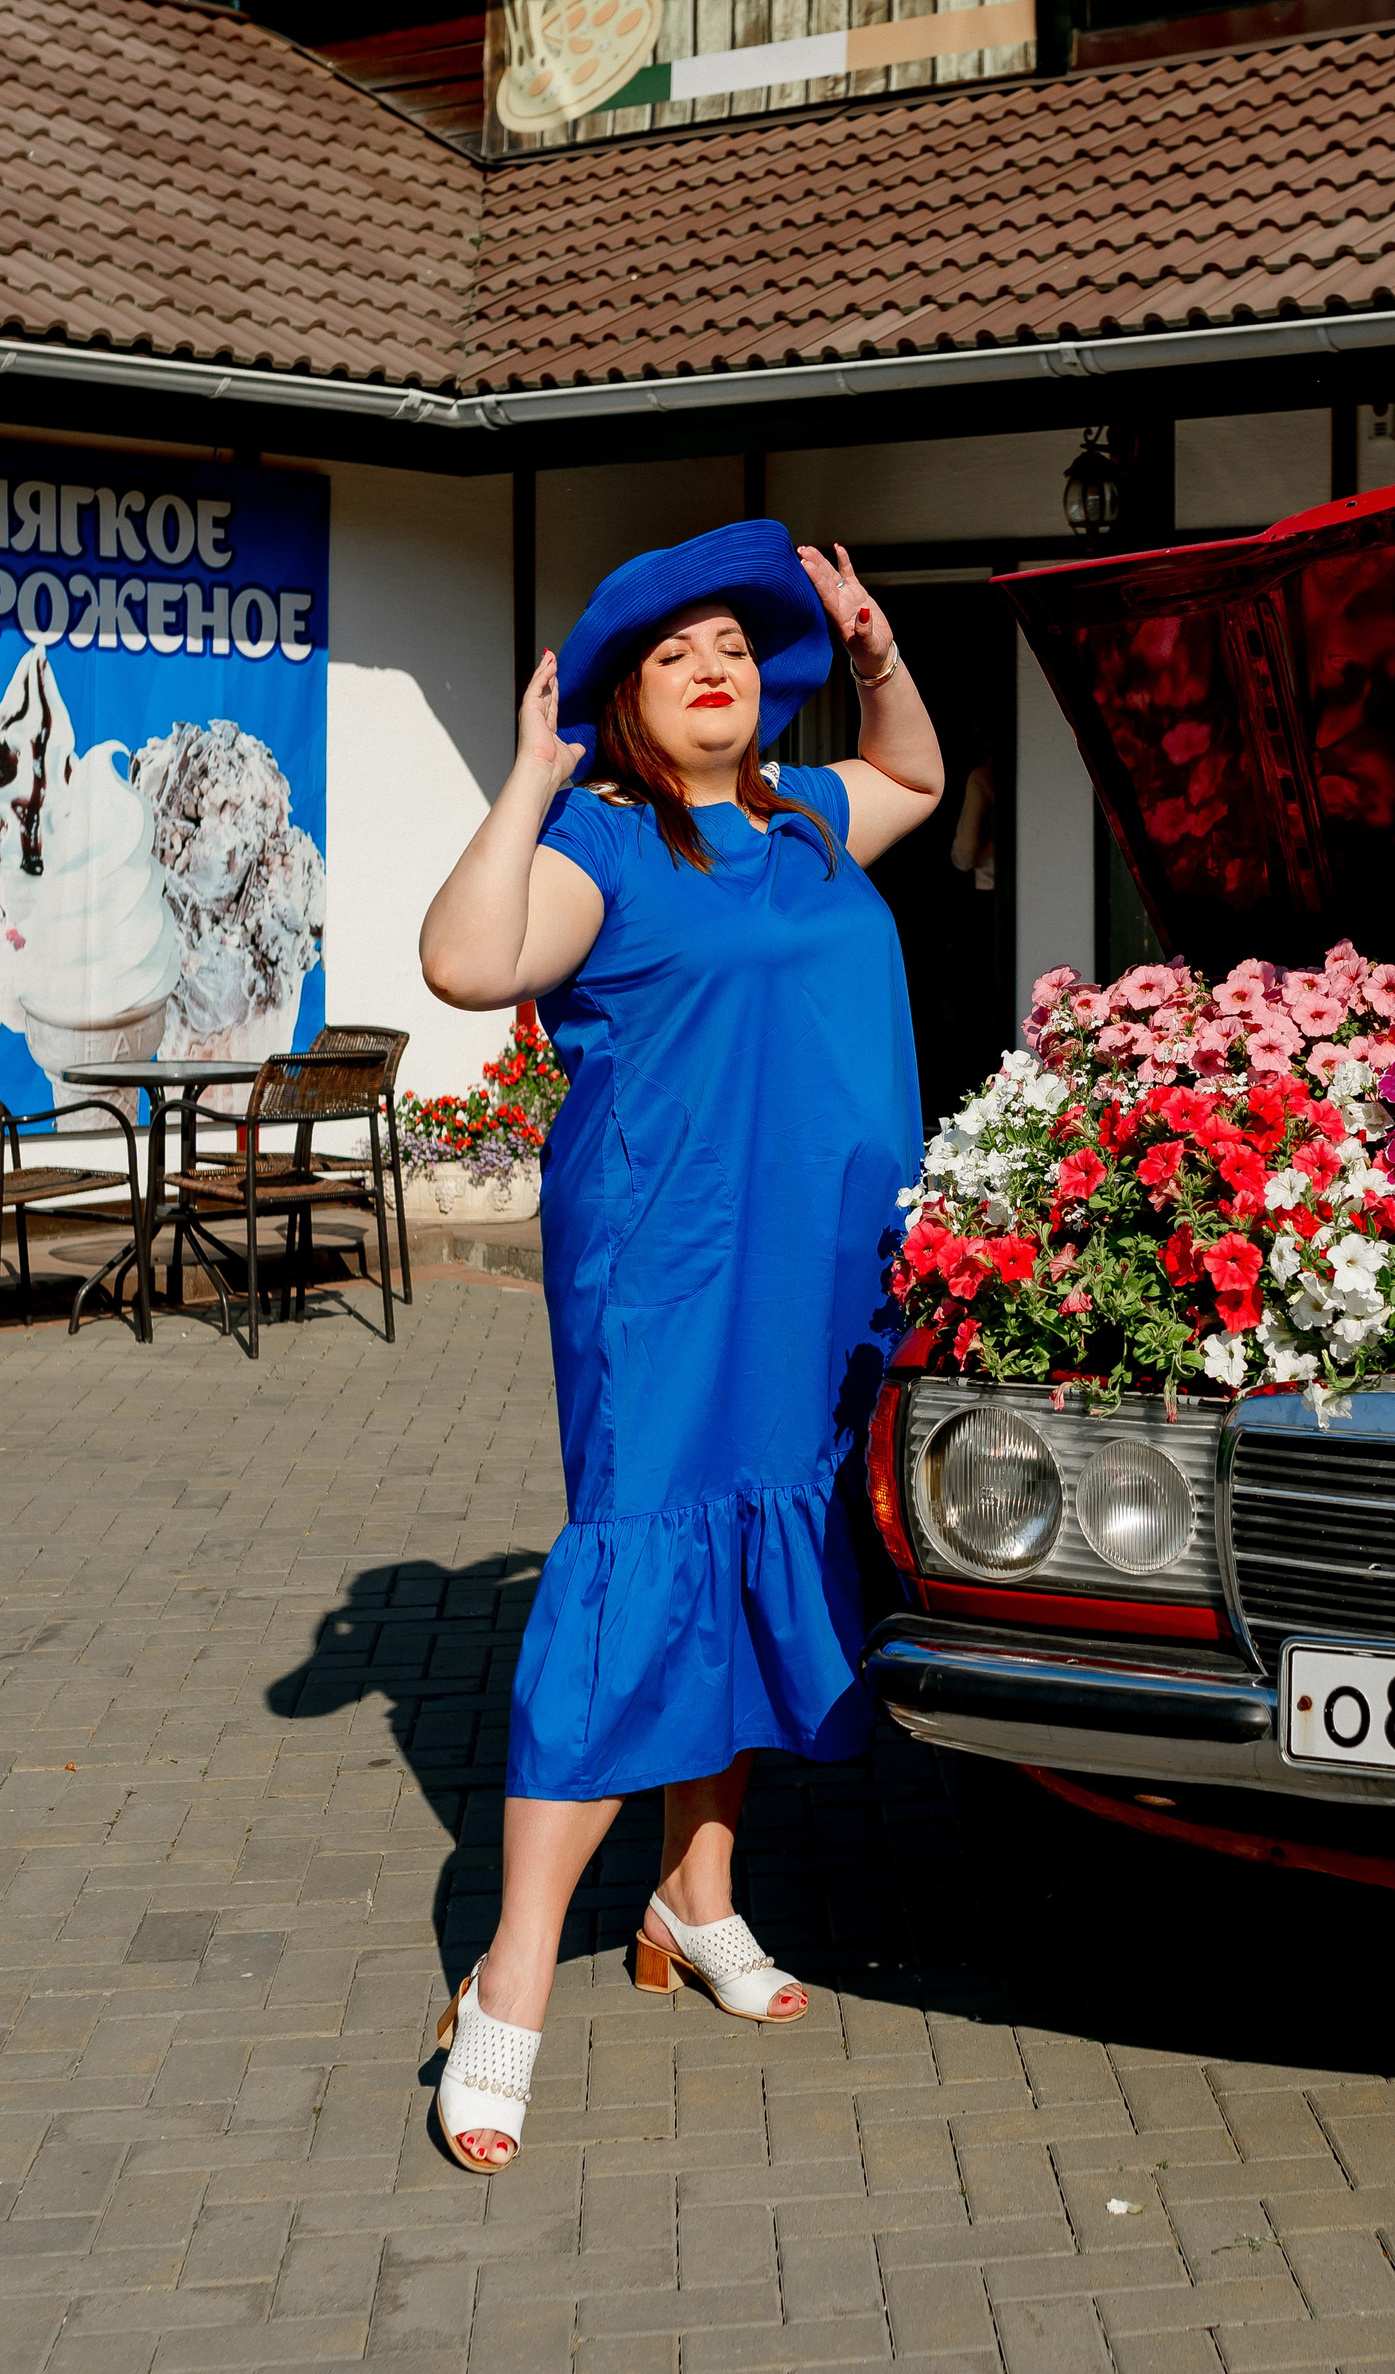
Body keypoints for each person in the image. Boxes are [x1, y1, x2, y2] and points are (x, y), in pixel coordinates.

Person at [417, 520, 943, 2171]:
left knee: (752, 1558)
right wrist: (529, 776)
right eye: (671, 654)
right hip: (669, 1270)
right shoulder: (600, 841)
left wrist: (875, 653)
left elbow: (916, 776)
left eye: (732, 647)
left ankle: (693, 1897)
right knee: (644, 1565)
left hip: (823, 1269)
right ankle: (510, 1978)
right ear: (625, 704)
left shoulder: (807, 817)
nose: (711, 667)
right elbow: (465, 961)